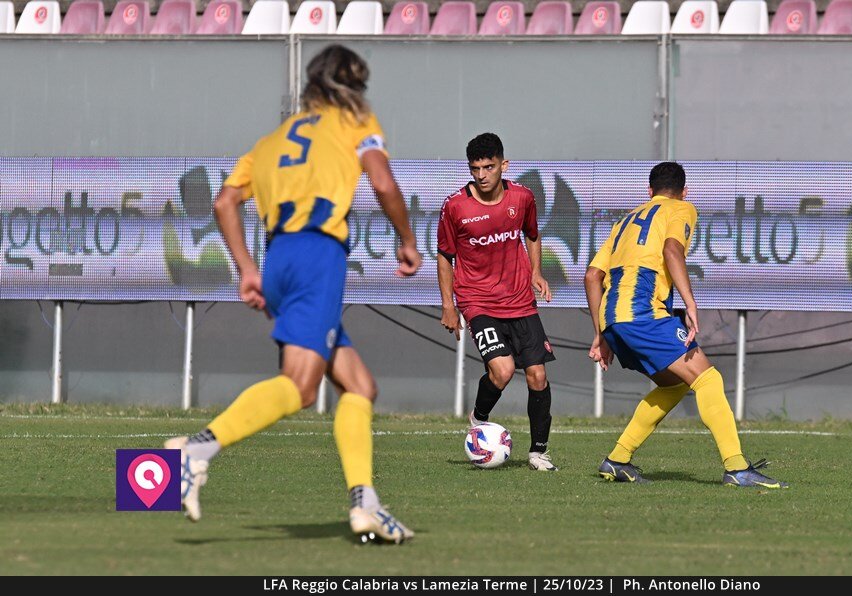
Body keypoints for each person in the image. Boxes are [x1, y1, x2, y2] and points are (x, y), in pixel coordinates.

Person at [164, 45, 423, 543]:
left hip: (277, 258)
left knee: (359, 387)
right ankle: (195, 450)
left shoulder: (271, 141)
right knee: (301, 388)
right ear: (349, 89)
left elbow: (224, 203)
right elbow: (384, 182)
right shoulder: (355, 120)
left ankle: (365, 503)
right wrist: (408, 241)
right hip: (316, 256)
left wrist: (246, 271)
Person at [584, 162, 788, 488]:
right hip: (643, 315)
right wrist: (690, 303)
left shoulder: (624, 221)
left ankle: (618, 459)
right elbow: (671, 249)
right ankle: (736, 468)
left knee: (675, 384)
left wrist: (600, 334)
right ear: (685, 191)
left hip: (613, 319)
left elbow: (593, 276)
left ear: (649, 191)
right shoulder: (681, 208)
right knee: (708, 380)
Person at [437, 132, 559, 471]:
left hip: (520, 299)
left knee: (537, 376)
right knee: (503, 371)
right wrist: (448, 305)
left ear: (504, 165)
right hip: (477, 301)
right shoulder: (455, 206)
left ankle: (538, 451)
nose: (481, 175)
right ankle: (478, 421)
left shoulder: (522, 198)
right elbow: (445, 256)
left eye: (488, 167)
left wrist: (536, 271)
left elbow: (532, 235)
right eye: (475, 168)